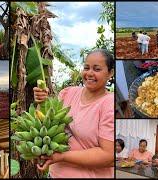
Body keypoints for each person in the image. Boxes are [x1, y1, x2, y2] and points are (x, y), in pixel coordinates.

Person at [33, 49, 114, 178]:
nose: (89, 73)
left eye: (97, 69)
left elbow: (109, 156)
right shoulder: (68, 93)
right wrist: (41, 102)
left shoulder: (109, 104)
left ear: (110, 73)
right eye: (86, 68)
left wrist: (62, 156)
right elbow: (45, 125)